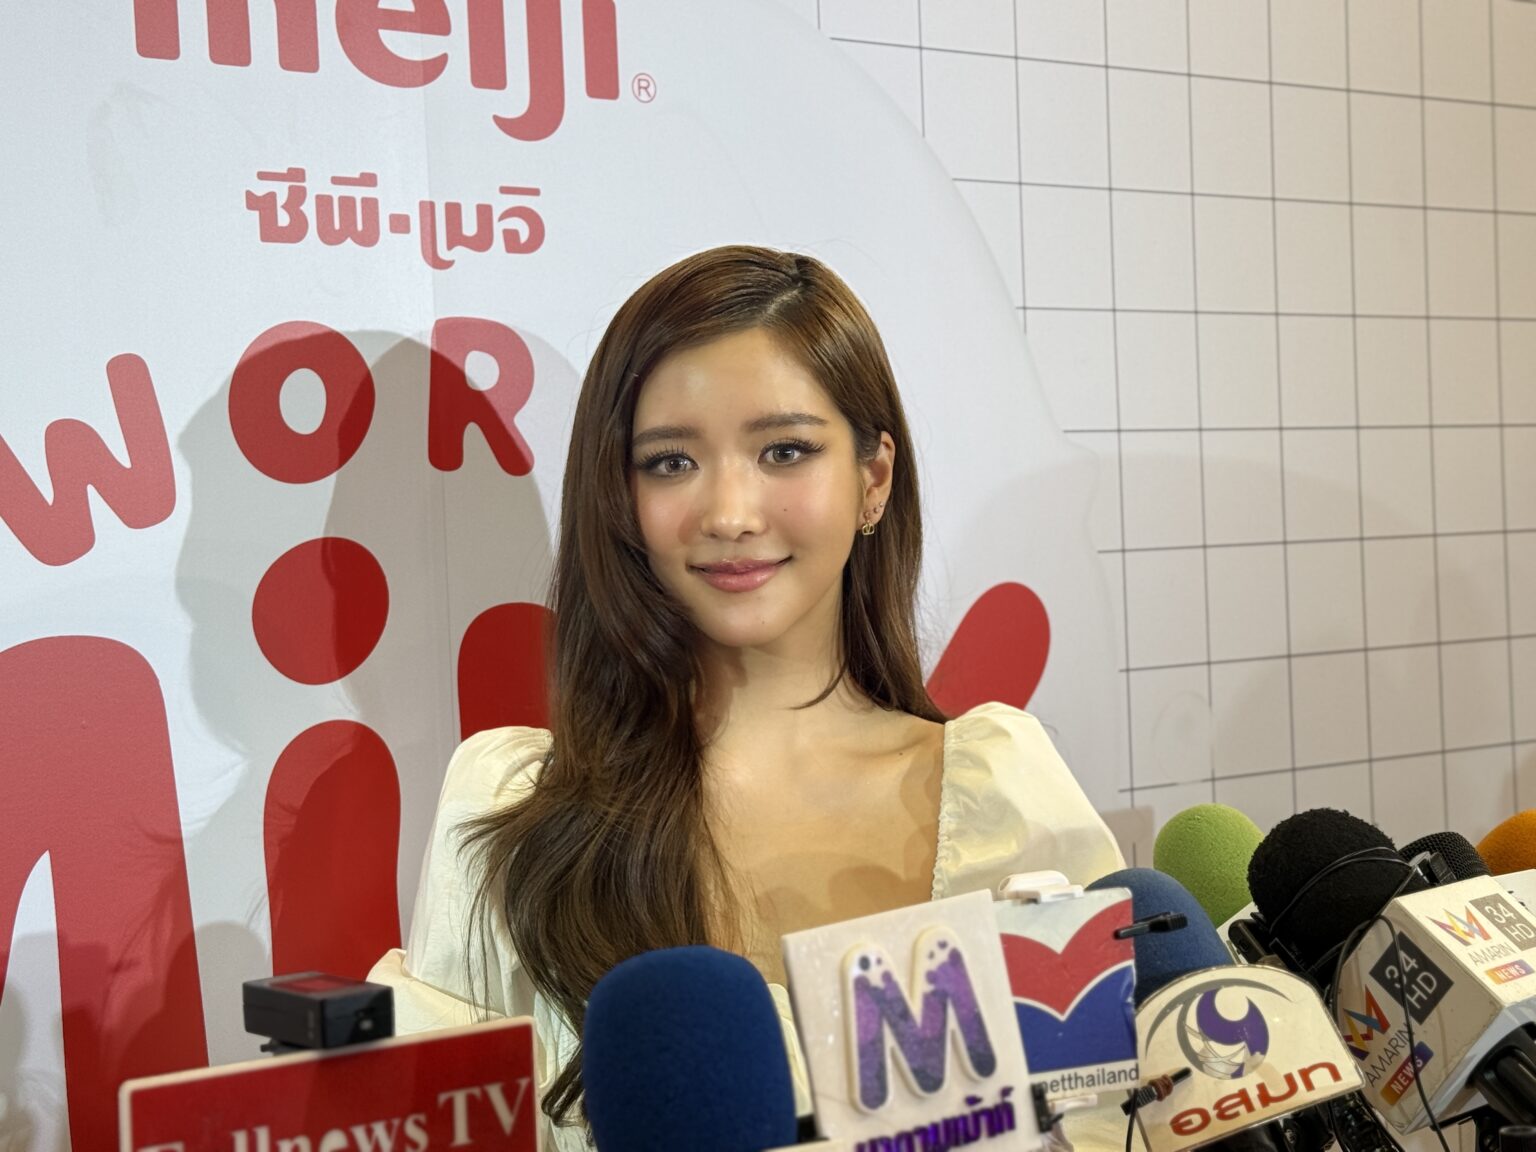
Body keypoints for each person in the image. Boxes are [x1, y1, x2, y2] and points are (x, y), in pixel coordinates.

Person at [369, 245, 1125, 1149]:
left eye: (785, 451)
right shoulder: (509, 809)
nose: (729, 513)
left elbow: (1110, 1121)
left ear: (874, 479)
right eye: (669, 463)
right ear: (619, 495)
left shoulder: (1006, 793)